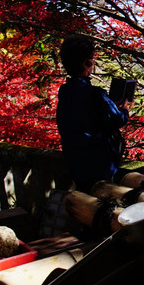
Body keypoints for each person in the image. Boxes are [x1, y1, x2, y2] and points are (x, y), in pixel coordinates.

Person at [56, 35, 130, 193]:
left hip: (75, 162)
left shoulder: (64, 92)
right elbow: (116, 119)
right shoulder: (95, 94)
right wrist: (124, 109)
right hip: (99, 164)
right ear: (87, 63)